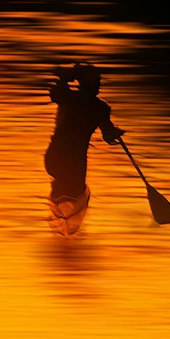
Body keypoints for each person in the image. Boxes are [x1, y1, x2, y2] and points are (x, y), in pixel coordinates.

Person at [43, 60, 123, 234]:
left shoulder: (81, 102)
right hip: (67, 158)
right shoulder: (83, 103)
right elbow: (108, 136)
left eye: (98, 83)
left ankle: (63, 228)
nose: (98, 87)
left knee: (67, 192)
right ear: (85, 84)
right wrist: (115, 134)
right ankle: (63, 227)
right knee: (71, 192)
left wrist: (66, 78)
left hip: (64, 157)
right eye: (95, 83)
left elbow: (108, 135)